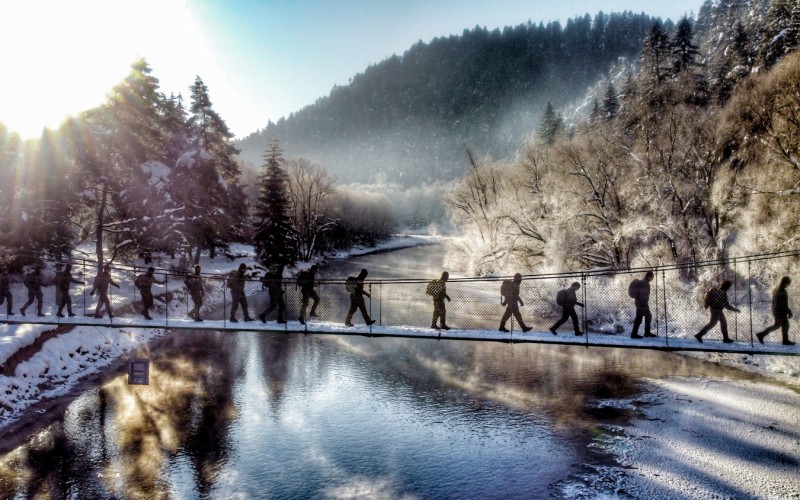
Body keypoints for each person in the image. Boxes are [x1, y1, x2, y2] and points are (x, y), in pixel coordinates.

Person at [756, 276, 795, 346]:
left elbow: (775, 302)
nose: (789, 285)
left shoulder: (776, 289)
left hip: (776, 310)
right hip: (780, 311)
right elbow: (783, 304)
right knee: (785, 324)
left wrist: (775, 310)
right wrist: (789, 312)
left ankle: (761, 334)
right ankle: (785, 340)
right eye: (788, 283)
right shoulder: (782, 291)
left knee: (777, 325)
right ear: (785, 283)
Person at [629, 271, 656, 339]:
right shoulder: (645, 283)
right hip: (642, 304)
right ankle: (634, 334)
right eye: (652, 278)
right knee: (639, 319)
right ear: (649, 277)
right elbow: (643, 294)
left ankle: (647, 333)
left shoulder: (643, 282)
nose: (652, 279)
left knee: (648, 316)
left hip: (642, 303)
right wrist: (643, 304)